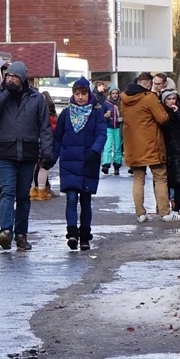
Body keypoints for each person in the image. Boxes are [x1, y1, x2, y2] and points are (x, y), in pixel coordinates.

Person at [0, 61, 51, 251]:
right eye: (8, 76)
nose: (10, 79)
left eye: (14, 77)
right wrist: (6, 94)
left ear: (22, 78)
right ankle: (5, 231)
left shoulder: (36, 98)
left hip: (27, 153)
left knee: (23, 196)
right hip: (5, 152)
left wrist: (47, 152)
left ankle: (21, 235)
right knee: (7, 192)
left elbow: (44, 128)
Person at [53, 78, 106, 251]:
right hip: (69, 161)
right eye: (77, 94)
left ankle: (85, 236)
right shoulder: (66, 114)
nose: (81, 97)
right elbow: (58, 138)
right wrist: (51, 158)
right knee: (71, 199)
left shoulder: (96, 113)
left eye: (83, 94)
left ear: (88, 94)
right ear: (73, 94)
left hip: (89, 160)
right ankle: (72, 234)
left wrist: (95, 150)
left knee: (85, 200)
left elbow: (101, 133)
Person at [119, 71, 171, 223]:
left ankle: (140, 213)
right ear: (148, 83)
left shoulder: (123, 98)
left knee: (138, 179)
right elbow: (162, 118)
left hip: (132, 145)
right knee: (160, 177)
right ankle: (165, 213)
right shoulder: (149, 98)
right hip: (151, 144)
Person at [159, 90, 180, 221]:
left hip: (177, 150)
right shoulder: (161, 114)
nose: (172, 101)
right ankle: (165, 207)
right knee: (164, 181)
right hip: (164, 149)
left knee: (178, 182)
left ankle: (176, 208)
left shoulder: (178, 112)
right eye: (169, 99)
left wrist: (178, 112)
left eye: (173, 99)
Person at [32, 90, 57, 201]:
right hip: (45, 143)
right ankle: (41, 190)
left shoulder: (34, 113)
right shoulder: (50, 116)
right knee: (43, 167)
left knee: (36, 167)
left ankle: (35, 189)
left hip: (34, 142)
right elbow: (52, 129)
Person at [101, 87, 124, 175]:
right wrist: (105, 116)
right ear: (110, 94)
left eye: (116, 93)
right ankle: (105, 165)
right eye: (113, 93)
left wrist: (122, 119)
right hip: (108, 127)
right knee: (108, 146)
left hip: (118, 128)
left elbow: (124, 114)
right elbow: (100, 116)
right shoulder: (106, 104)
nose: (115, 95)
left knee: (118, 148)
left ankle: (117, 166)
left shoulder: (121, 104)